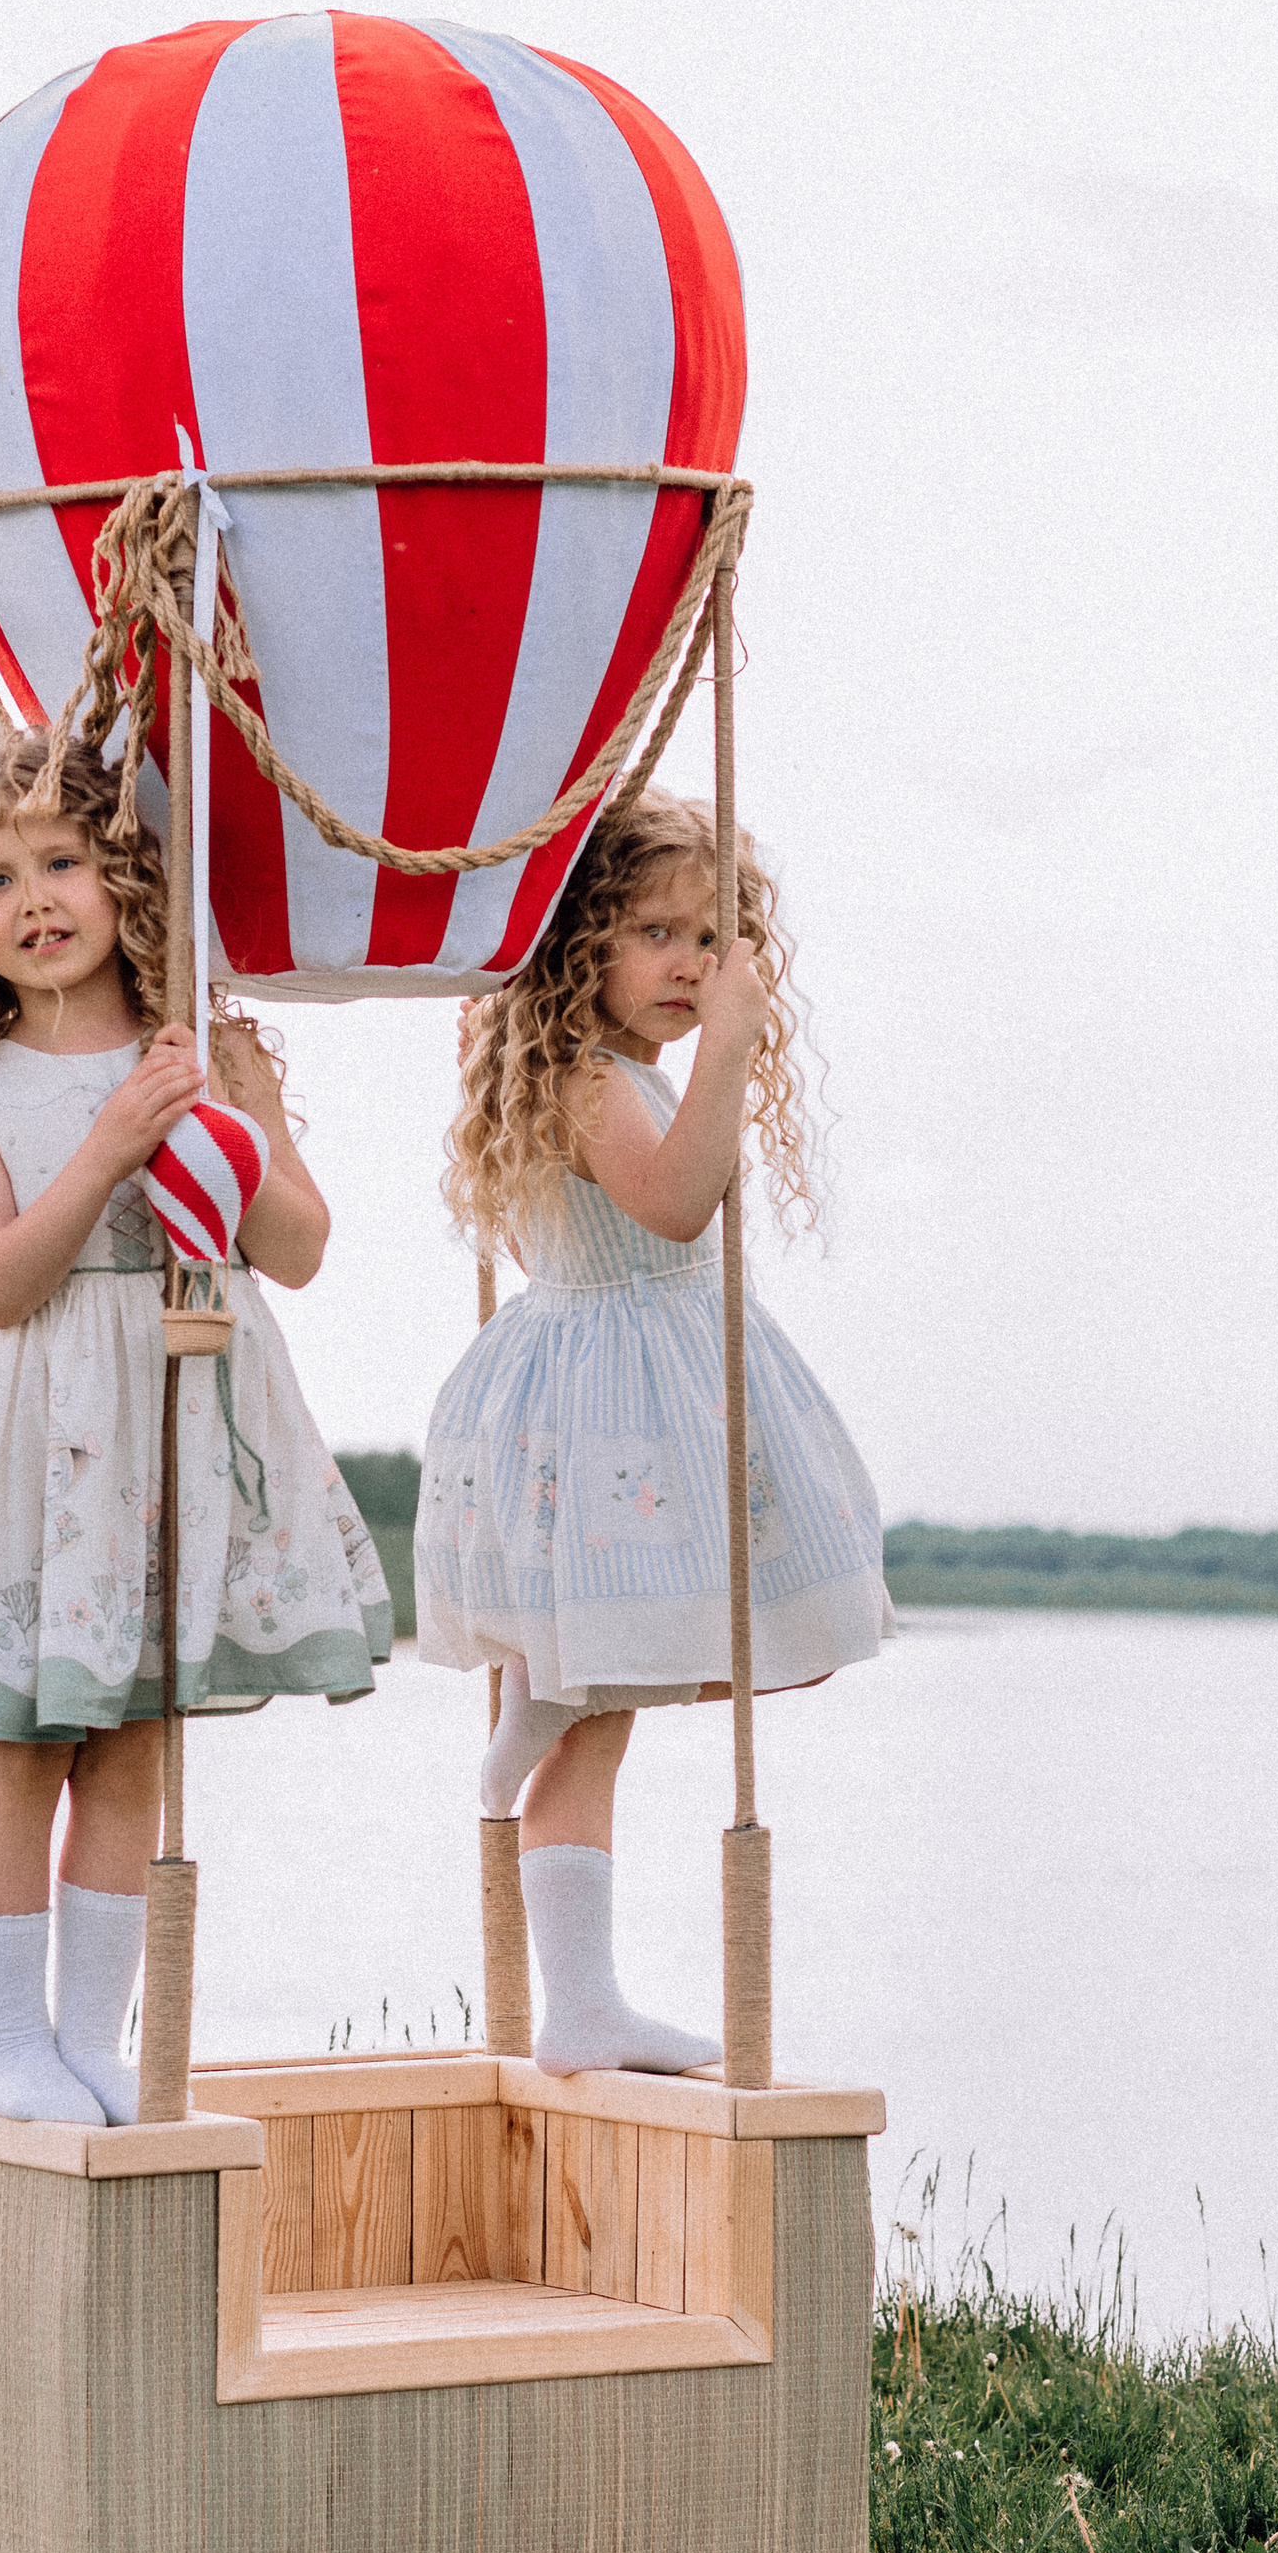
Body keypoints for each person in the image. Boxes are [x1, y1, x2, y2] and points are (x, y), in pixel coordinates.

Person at [0, 730, 392, 2126]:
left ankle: (97, 2039)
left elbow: (304, 1245)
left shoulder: (202, 1043)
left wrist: (206, 1122)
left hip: (175, 1402)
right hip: (46, 1425)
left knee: (139, 1737)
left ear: (121, 872)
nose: (35, 899)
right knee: (29, 1735)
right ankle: (12, 2041)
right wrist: (108, 1145)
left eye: (64, 862)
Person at [416, 786, 884, 2074]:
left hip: (629, 1380)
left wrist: (708, 1048)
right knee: (597, 1698)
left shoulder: (596, 1066)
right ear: (585, 947)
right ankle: (580, 1996)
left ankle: (583, 1990)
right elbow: (676, 1202)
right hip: (611, 1397)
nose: (690, 961)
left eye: (713, 935)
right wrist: (732, 1042)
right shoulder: (579, 1075)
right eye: (656, 932)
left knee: (607, 1698)